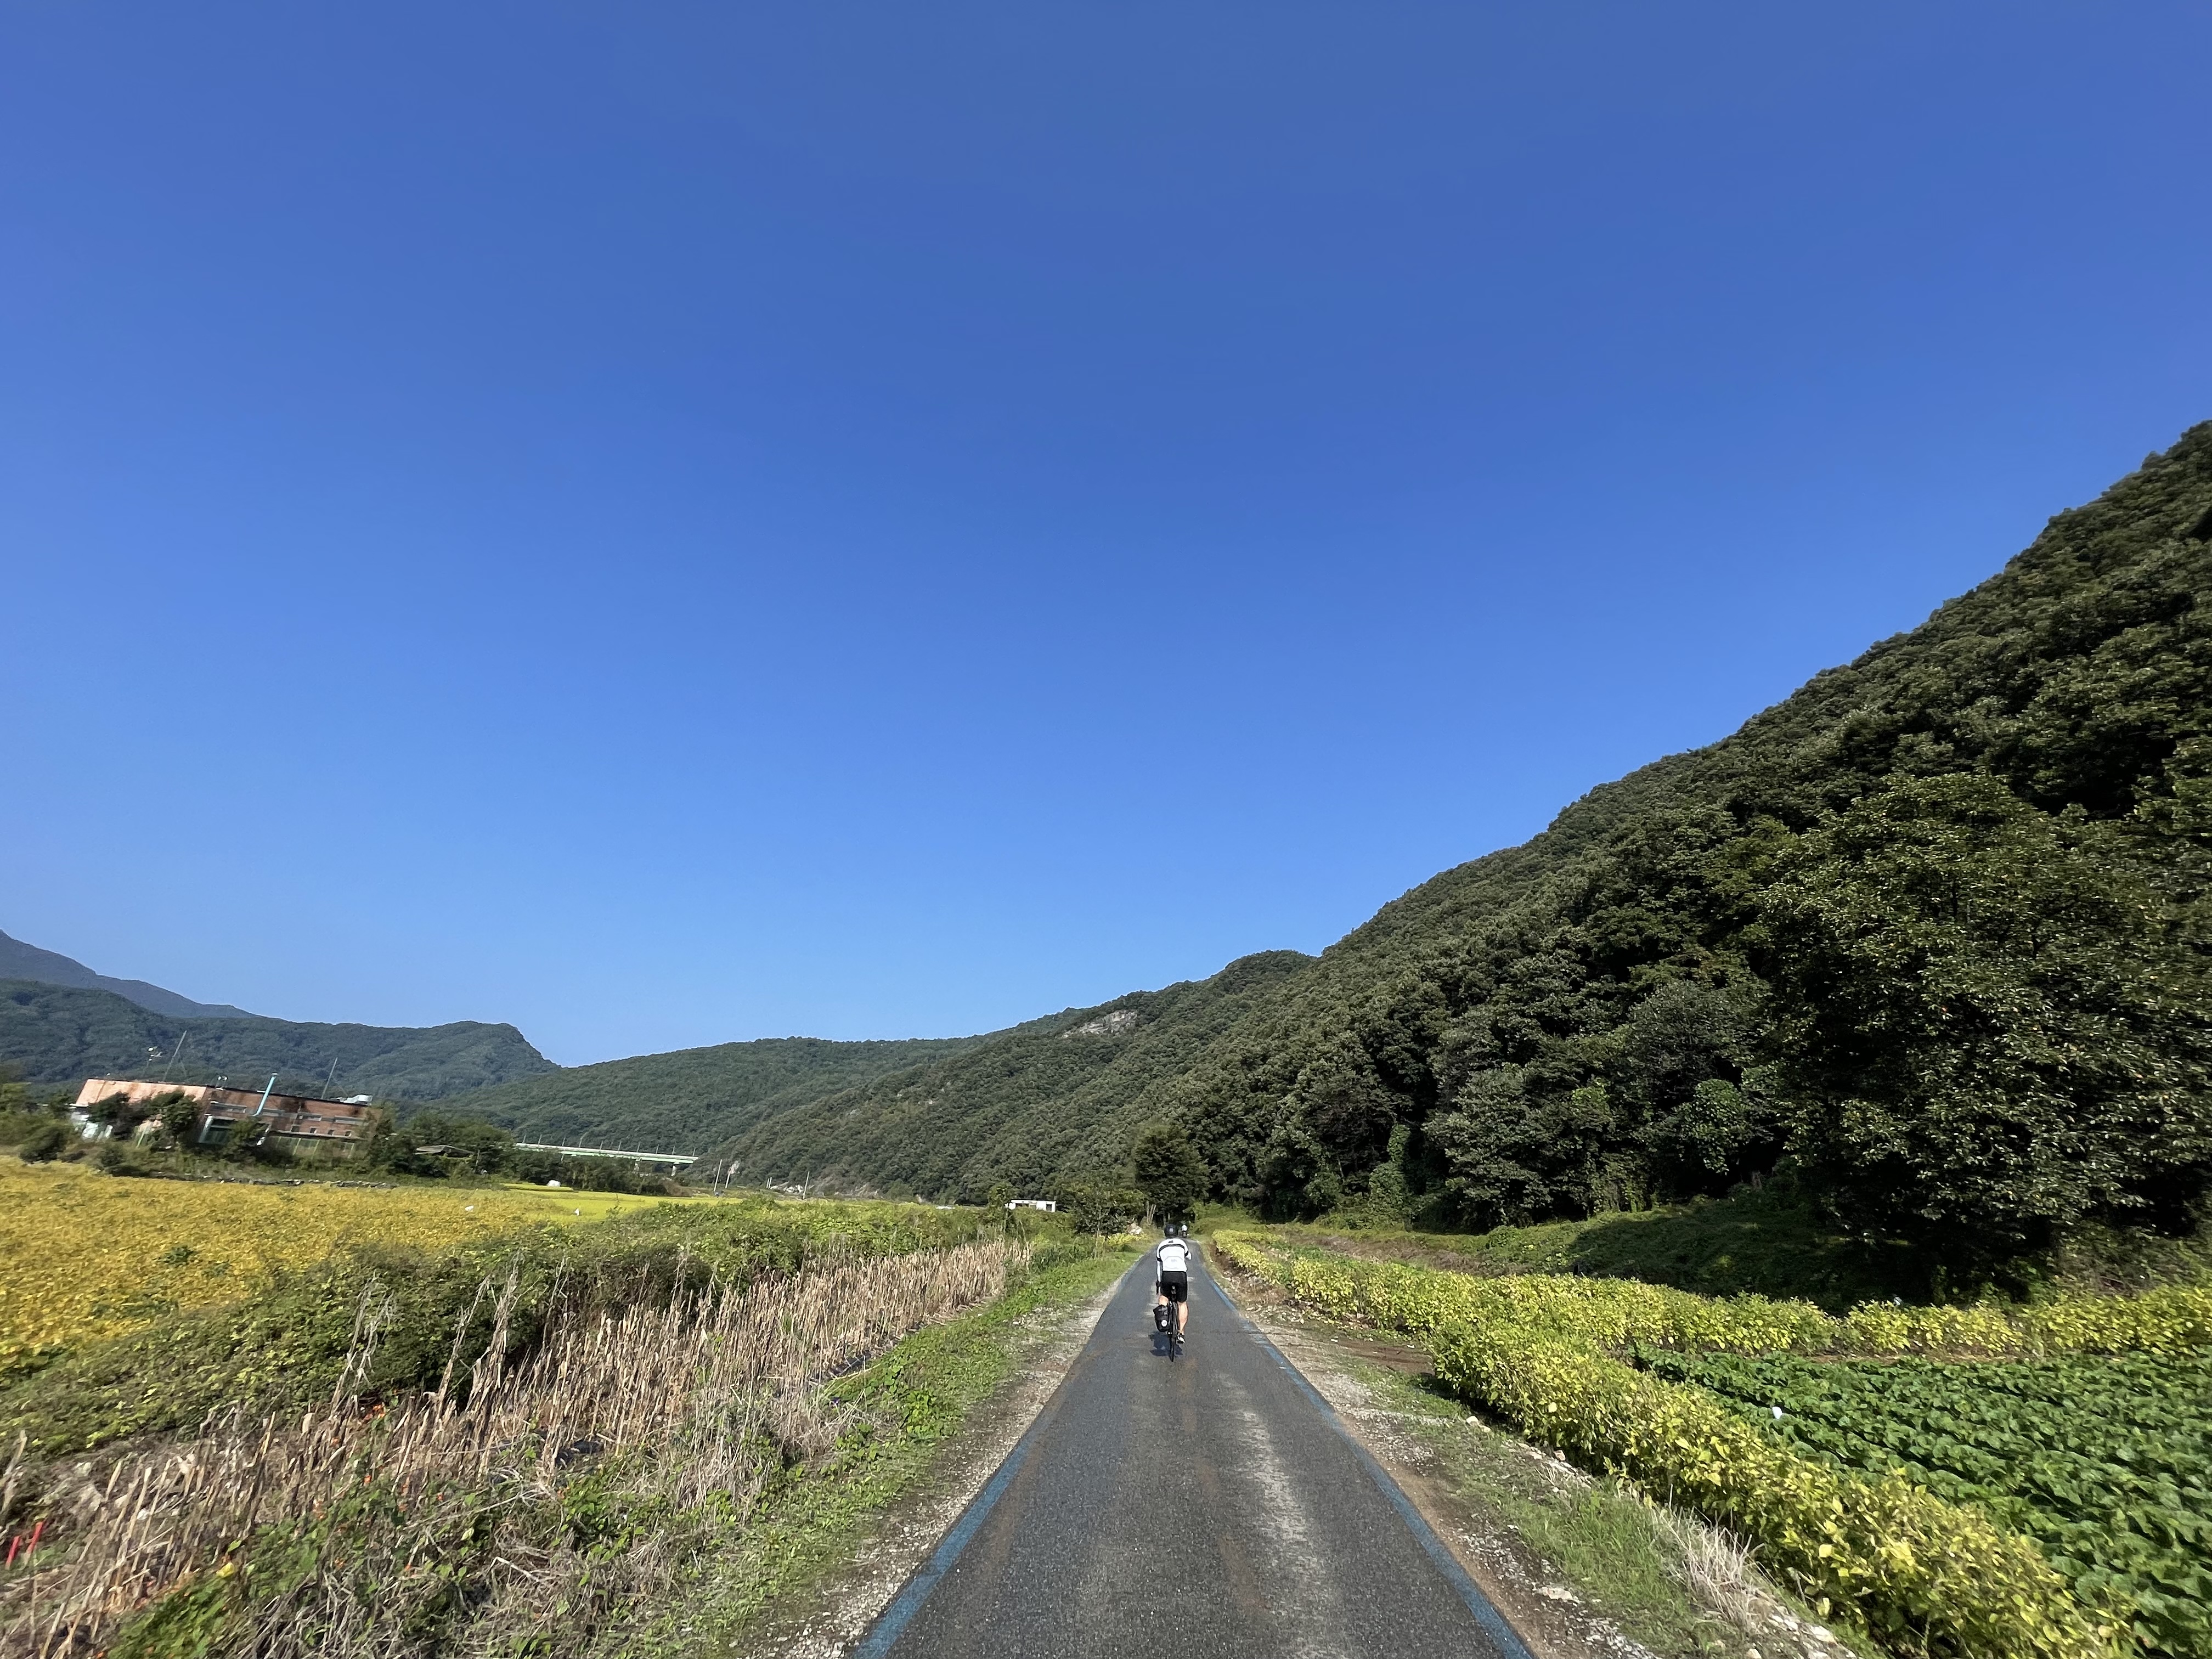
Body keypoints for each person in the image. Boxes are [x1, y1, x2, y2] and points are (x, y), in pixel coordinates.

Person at [1154, 1224, 1193, 1340]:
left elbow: (1159, 1267)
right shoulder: (1182, 1243)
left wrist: (1159, 1281)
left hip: (1167, 1274)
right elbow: (1189, 1257)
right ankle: (1181, 1333)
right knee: (1182, 1303)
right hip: (1181, 1275)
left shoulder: (1161, 1246)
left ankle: (1164, 1320)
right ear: (1177, 1233)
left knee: (1164, 1297)